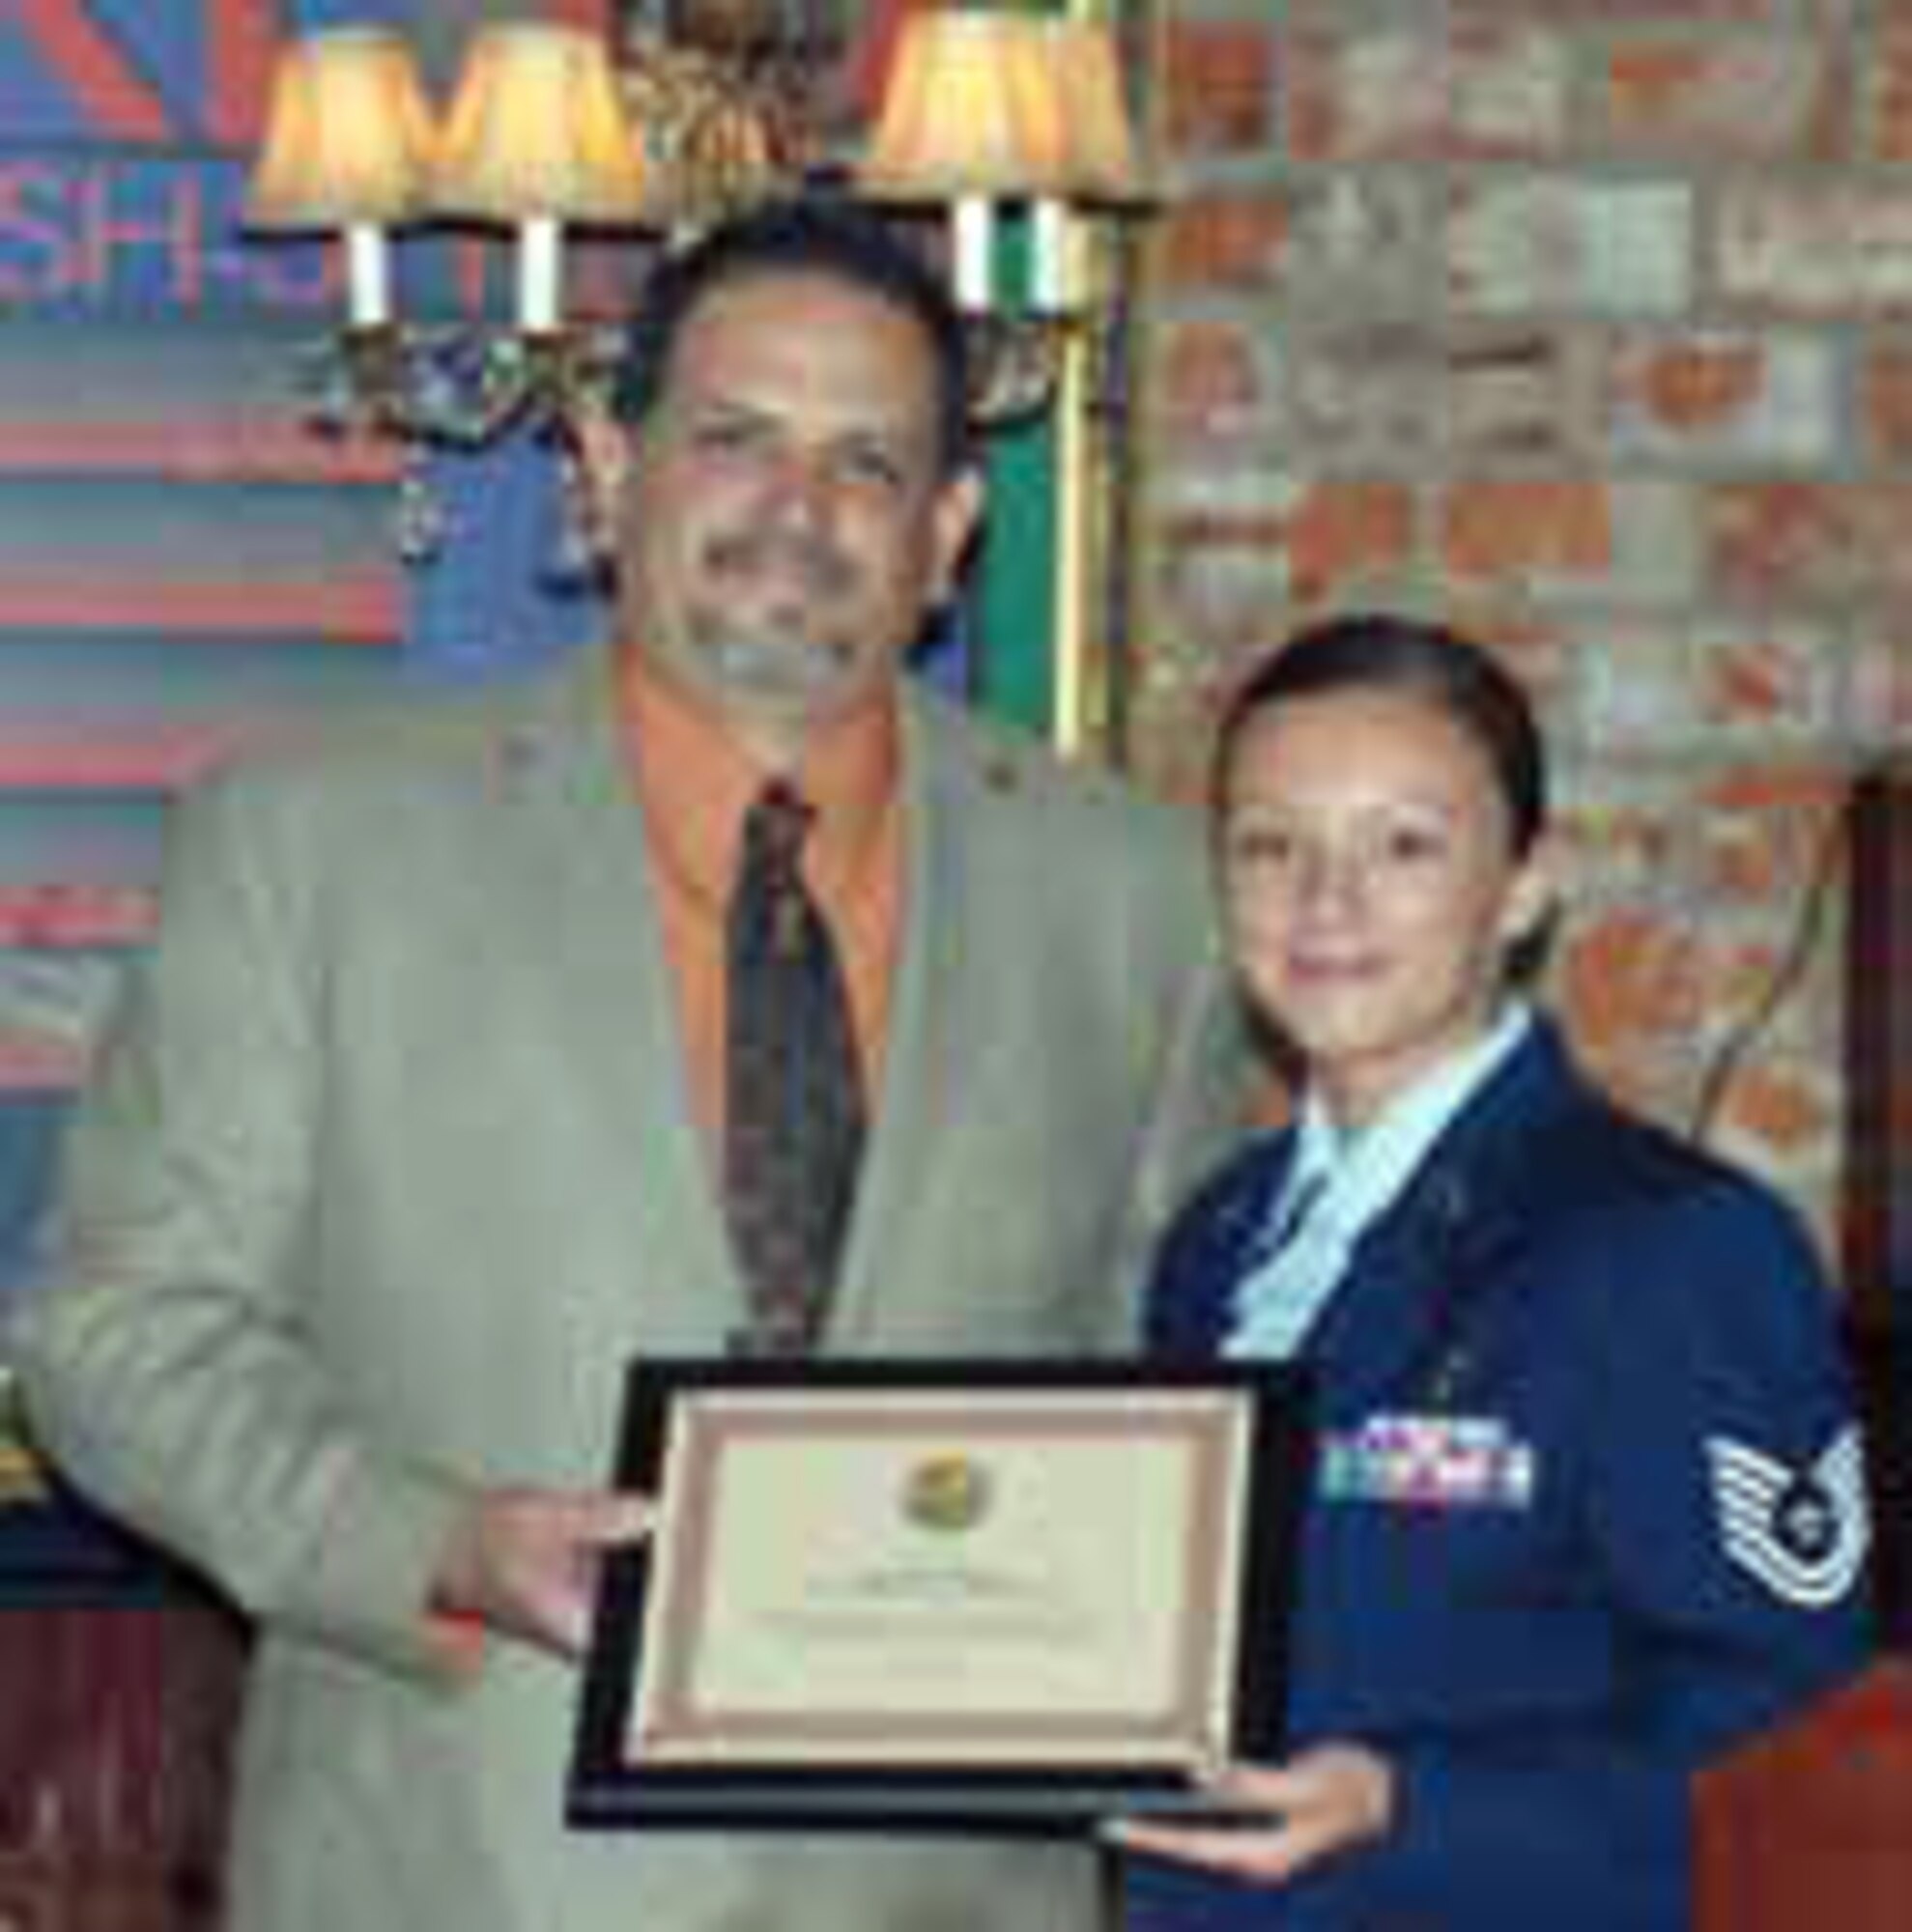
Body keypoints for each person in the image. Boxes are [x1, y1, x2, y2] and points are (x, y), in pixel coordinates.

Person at [6, 198, 1241, 1932]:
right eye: (734, 441)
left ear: (951, 530)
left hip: (946, 1892)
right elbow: (113, 1336)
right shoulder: (313, 844)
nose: (795, 516)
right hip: (452, 1874)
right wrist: (430, 1541)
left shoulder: (1140, 898)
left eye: (868, 465)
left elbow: (1176, 1388)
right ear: (606, 459)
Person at [1111, 613, 1874, 1929]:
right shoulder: (1216, 1240)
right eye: (1270, 845)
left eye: (1403, 846)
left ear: (1524, 885)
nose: (1325, 902)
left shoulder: (1670, 1247)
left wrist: (1414, 1803)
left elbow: (1791, 1730)